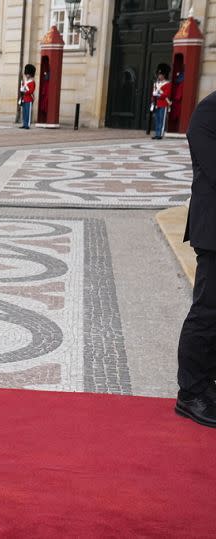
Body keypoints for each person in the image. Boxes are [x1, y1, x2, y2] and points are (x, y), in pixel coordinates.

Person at [176, 89, 216, 429]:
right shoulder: (208, 111)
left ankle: (209, 384)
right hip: (214, 231)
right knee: (207, 313)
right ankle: (190, 394)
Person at [151, 63, 172, 140]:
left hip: (163, 103)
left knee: (161, 120)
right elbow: (153, 94)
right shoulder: (156, 84)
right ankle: (157, 133)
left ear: (164, 75)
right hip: (157, 104)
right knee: (157, 119)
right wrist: (153, 101)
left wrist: (158, 95)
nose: (159, 76)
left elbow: (166, 95)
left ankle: (160, 134)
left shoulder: (168, 84)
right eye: (159, 74)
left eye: (161, 75)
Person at [20, 63, 36, 129]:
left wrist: (25, 89)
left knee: (28, 113)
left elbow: (31, 91)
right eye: (26, 74)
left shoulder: (32, 82)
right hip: (24, 98)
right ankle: (24, 124)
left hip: (29, 99)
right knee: (24, 112)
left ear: (31, 74)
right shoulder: (25, 81)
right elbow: (22, 89)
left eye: (28, 74)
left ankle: (27, 125)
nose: (27, 75)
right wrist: (22, 88)